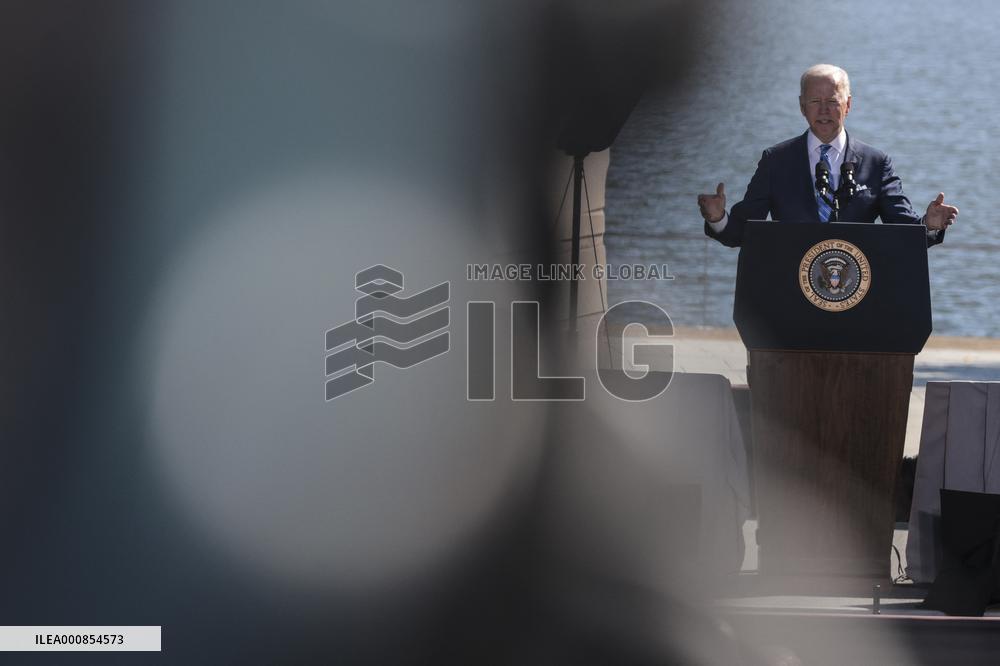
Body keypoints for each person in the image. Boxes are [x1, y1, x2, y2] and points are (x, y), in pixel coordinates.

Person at [697, 64, 958, 248]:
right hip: (791, 290)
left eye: (832, 101)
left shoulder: (876, 163)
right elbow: (742, 232)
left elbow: (903, 232)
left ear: (848, 105)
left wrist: (930, 225)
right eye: (814, 101)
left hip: (856, 294)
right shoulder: (776, 160)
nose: (824, 110)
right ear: (802, 106)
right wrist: (719, 218)